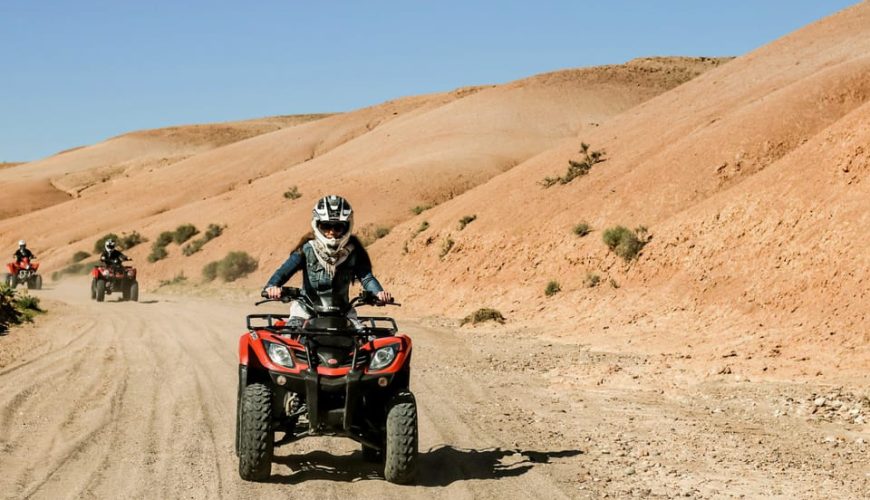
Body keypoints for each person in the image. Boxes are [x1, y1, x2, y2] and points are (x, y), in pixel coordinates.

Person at [264, 195, 392, 322]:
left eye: (338, 227)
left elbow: (366, 277)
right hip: (306, 313)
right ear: (317, 224)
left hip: (343, 313)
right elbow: (283, 272)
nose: (331, 232)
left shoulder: (353, 252)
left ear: (347, 226)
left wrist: (378, 293)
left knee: (365, 339)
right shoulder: (307, 249)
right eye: (326, 226)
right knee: (290, 338)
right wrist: (272, 287)